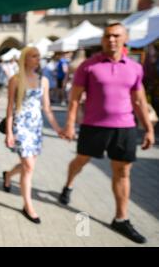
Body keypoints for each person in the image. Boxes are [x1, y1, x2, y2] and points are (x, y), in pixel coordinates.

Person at [58, 22, 155, 244]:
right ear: (103, 40)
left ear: (125, 38)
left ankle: (121, 218)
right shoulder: (88, 66)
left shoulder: (135, 68)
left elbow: (139, 101)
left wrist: (148, 129)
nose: (111, 40)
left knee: (122, 172)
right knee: (81, 161)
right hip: (94, 126)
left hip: (125, 127)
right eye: (107, 36)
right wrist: (70, 125)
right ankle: (69, 183)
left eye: (116, 36)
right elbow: (74, 100)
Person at [3, 47, 62, 224]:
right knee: (28, 166)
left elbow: (47, 108)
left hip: (36, 127)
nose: (38, 59)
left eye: (38, 56)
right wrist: (9, 132)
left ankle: (8, 175)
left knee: (27, 166)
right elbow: (10, 108)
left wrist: (58, 129)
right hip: (21, 126)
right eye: (34, 56)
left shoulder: (43, 80)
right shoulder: (15, 80)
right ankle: (28, 205)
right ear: (25, 59)